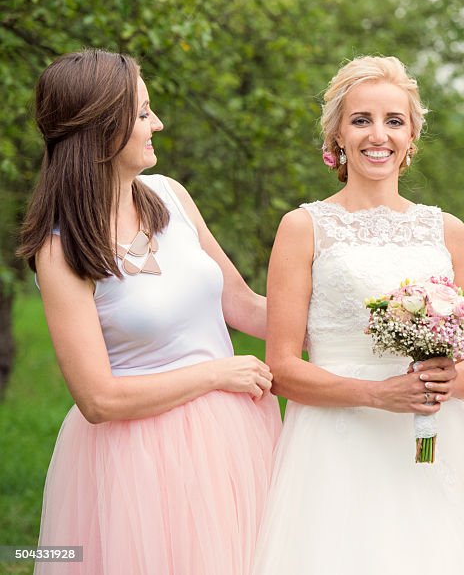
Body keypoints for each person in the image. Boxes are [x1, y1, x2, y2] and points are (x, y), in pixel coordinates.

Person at [251, 56, 464, 574]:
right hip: (335, 443)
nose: (379, 135)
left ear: (412, 137)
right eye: (361, 120)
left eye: (394, 121)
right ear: (337, 137)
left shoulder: (447, 231)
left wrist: (438, 379)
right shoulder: (304, 227)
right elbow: (281, 367)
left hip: (437, 439)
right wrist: (376, 393)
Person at [18, 49, 281, 575]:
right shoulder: (61, 248)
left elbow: (245, 307)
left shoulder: (171, 197)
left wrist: (357, 324)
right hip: (140, 462)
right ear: (100, 126)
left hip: (234, 438)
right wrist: (214, 373)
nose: (157, 123)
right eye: (142, 113)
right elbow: (97, 398)